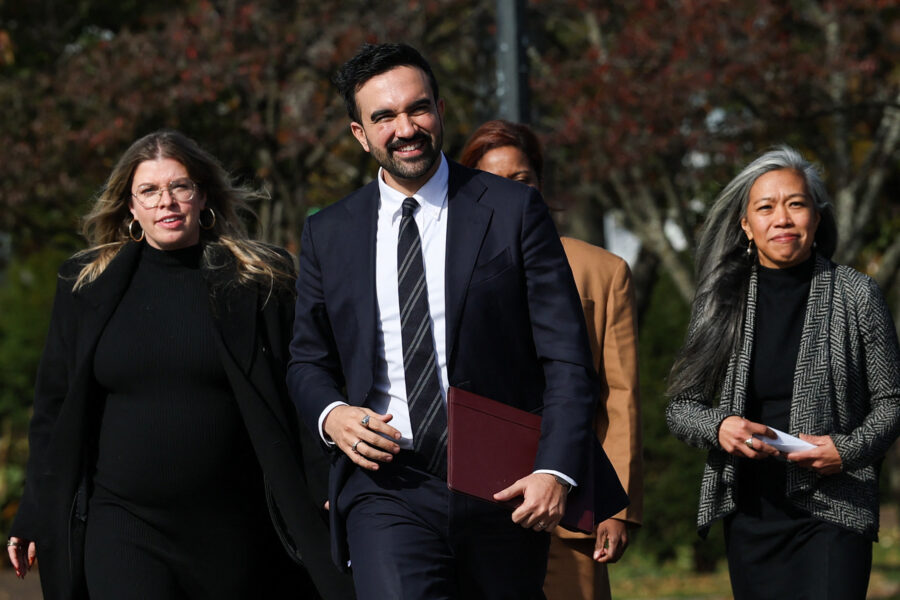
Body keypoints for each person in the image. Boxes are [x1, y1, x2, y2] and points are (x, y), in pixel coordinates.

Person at [287, 43, 597, 599]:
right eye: (383, 117)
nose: (405, 127)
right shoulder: (327, 233)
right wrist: (332, 415)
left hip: (504, 483)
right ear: (359, 133)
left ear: (441, 109)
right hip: (388, 483)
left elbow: (567, 357)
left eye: (417, 108)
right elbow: (307, 360)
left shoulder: (512, 211)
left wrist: (555, 470)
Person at [5, 130, 354, 600]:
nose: (165, 202)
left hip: (235, 528)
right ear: (130, 206)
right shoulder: (86, 284)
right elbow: (53, 411)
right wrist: (34, 510)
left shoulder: (258, 280)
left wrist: (324, 479)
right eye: (149, 191)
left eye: (180, 187)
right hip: (124, 524)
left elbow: (300, 381)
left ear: (202, 195)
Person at [666, 146, 900, 599]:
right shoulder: (721, 300)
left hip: (835, 505)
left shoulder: (857, 294)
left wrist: (846, 451)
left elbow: (891, 403)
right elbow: (681, 408)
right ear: (746, 225)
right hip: (752, 508)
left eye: (796, 204)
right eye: (766, 207)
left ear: (817, 216)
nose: (783, 218)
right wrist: (720, 427)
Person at [460, 119, 643, 600]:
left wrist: (616, 505)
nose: (508, 193)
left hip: (570, 502)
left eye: (521, 179)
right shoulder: (441, 270)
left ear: (539, 184)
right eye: (491, 181)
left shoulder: (603, 273)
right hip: (468, 502)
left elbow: (620, 397)